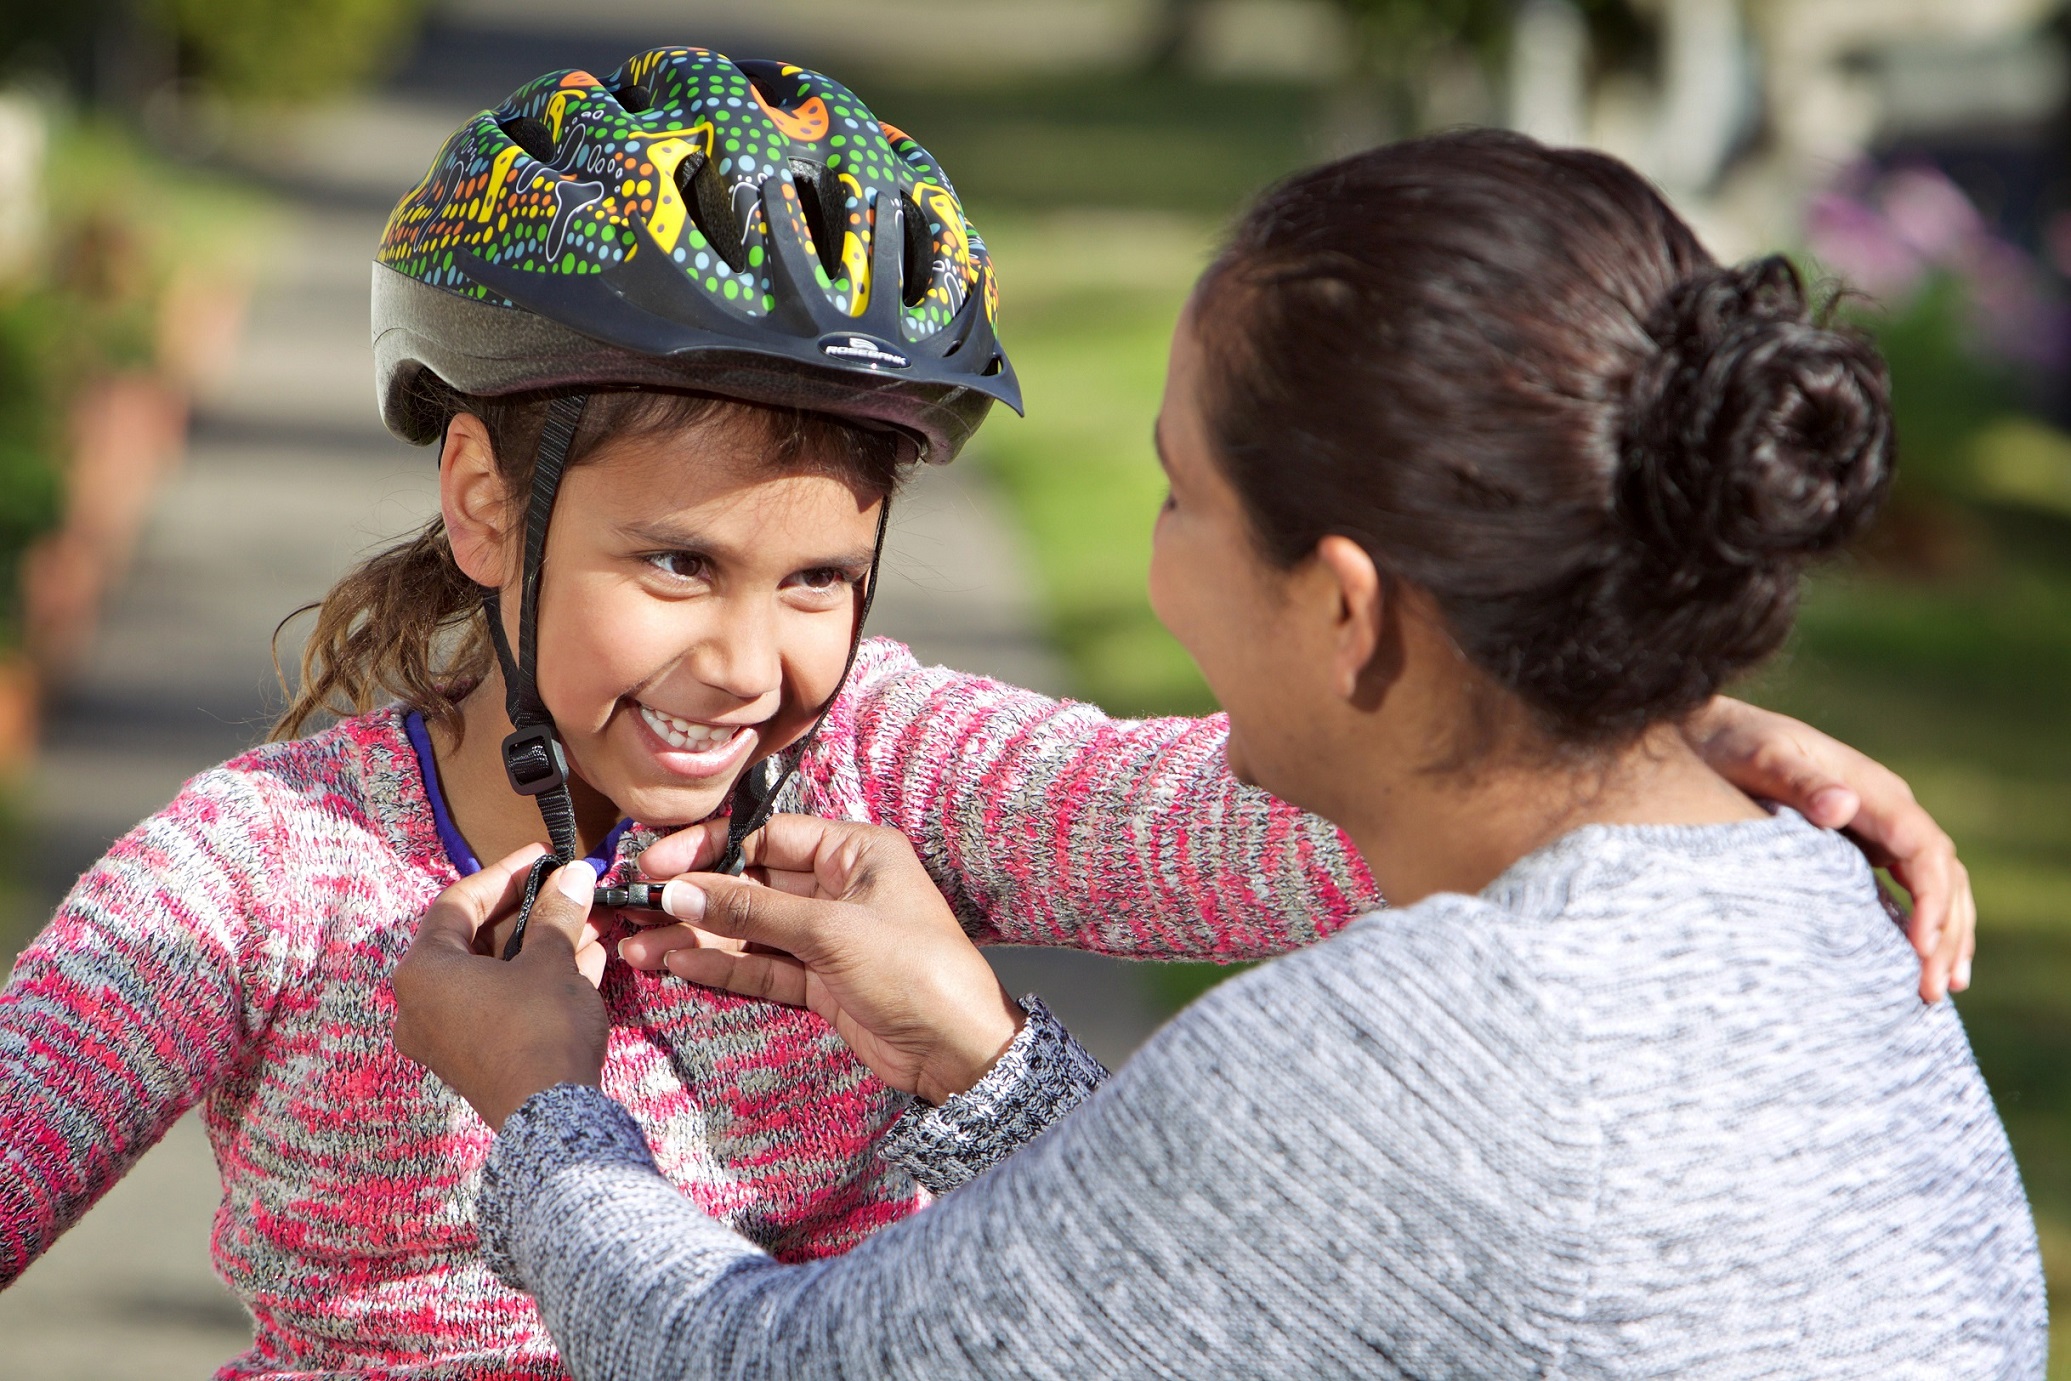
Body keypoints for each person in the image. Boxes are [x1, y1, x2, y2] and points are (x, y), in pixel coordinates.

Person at [0, 46, 1971, 1377]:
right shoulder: (264, 872)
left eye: (819, 585)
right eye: (674, 564)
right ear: (487, 507)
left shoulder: (894, 771)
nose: (746, 663)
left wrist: (1637, 745)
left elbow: (1280, 826)